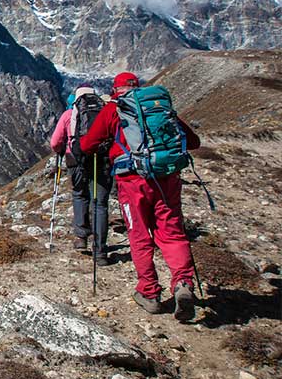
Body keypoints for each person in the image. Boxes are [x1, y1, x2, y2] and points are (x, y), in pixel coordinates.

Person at [78, 72, 201, 321]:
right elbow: (193, 141)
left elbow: (87, 144)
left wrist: (107, 146)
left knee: (139, 234)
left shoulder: (115, 109)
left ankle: (149, 292)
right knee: (173, 232)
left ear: (115, 89)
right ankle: (183, 282)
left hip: (132, 182)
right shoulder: (157, 107)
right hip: (167, 179)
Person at [50, 85, 111, 264]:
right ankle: (100, 250)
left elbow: (55, 142)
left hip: (75, 161)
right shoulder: (105, 111)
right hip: (101, 160)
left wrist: (62, 150)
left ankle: (81, 238)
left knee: (79, 195)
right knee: (100, 204)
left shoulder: (69, 114)